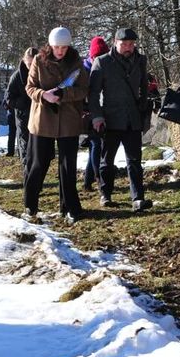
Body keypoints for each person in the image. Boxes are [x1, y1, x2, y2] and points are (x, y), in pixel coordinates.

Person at [24, 26, 89, 223]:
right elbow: (30, 87)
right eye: (57, 47)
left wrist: (64, 94)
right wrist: (44, 95)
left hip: (68, 120)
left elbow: (83, 89)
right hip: (42, 120)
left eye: (64, 47)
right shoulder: (38, 60)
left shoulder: (77, 63)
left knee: (68, 166)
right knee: (38, 163)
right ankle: (30, 205)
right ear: (50, 46)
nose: (60, 51)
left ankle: (69, 206)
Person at [88, 27, 152, 211]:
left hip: (133, 118)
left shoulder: (140, 61)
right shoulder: (102, 62)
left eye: (131, 44)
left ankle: (137, 198)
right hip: (110, 118)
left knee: (134, 161)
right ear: (115, 43)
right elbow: (93, 95)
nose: (128, 47)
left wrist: (142, 108)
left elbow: (144, 87)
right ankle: (105, 194)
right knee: (107, 161)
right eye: (124, 44)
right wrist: (97, 116)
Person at [81, 35, 109, 192]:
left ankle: (87, 181)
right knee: (96, 145)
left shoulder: (105, 67)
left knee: (95, 147)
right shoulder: (84, 70)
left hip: (102, 111)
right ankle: (99, 179)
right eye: (96, 56)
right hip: (88, 113)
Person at [5, 47, 38, 165]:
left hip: (38, 115)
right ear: (24, 61)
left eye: (34, 63)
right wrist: (23, 102)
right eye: (29, 63)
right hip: (23, 115)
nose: (32, 66)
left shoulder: (41, 74)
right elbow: (8, 99)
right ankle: (26, 169)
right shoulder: (16, 76)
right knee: (25, 144)